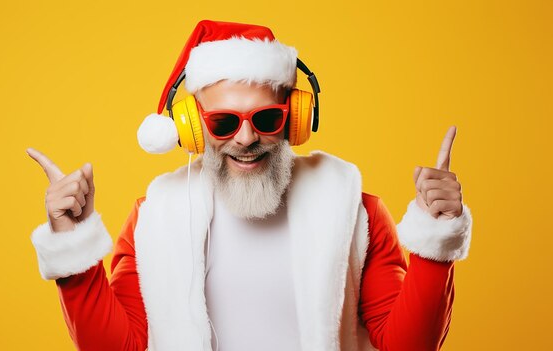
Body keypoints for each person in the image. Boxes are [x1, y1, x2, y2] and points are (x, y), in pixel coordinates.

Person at [27, 20, 473, 351]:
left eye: (265, 118)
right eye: (222, 122)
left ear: (293, 119)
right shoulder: (155, 218)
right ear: (193, 129)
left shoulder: (354, 210)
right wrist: (74, 255)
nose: (245, 138)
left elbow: (407, 347)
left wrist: (438, 241)